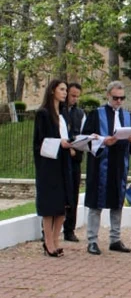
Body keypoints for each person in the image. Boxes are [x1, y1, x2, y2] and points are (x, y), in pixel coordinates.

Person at [82, 81, 131, 255]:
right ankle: (92, 240)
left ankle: (115, 239)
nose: (119, 101)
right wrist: (103, 140)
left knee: (117, 202)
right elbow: (84, 138)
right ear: (108, 95)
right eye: (116, 98)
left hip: (119, 165)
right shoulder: (96, 114)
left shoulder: (127, 116)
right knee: (96, 203)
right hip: (100, 164)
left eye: (122, 98)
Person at [33, 79, 73, 257]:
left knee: (63, 204)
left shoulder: (64, 114)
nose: (65, 92)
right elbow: (39, 142)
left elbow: (66, 136)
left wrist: (73, 145)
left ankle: (56, 240)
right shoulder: (43, 114)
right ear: (52, 91)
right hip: (49, 164)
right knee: (49, 205)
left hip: (63, 162)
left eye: (66, 90)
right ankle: (48, 242)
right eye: (62, 89)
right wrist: (60, 143)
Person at [63, 82, 86, 242]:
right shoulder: (58, 111)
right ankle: (48, 230)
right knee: (59, 194)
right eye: (72, 95)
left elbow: (84, 134)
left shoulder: (80, 113)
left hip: (75, 159)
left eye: (77, 96)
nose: (74, 99)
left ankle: (69, 229)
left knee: (73, 194)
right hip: (61, 158)